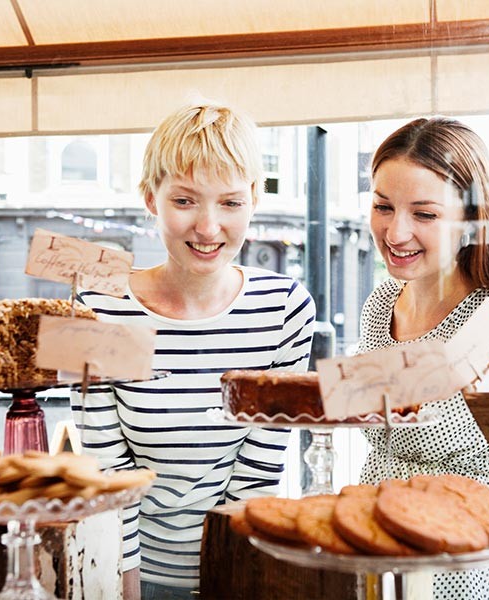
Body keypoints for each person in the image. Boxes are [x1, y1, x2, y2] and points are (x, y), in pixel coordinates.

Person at [71, 102, 315, 600]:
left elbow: (260, 466)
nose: (208, 228)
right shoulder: (98, 307)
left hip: (244, 562)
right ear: (150, 198)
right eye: (184, 201)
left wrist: (228, 577)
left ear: (254, 198)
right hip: (122, 571)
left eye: (229, 203)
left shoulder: (285, 309)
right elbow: (106, 465)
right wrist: (128, 584)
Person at [358, 116, 489, 600]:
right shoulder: (381, 303)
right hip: (376, 555)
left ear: (470, 218)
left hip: (467, 571)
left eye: (424, 214)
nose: (396, 232)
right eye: (384, 206)